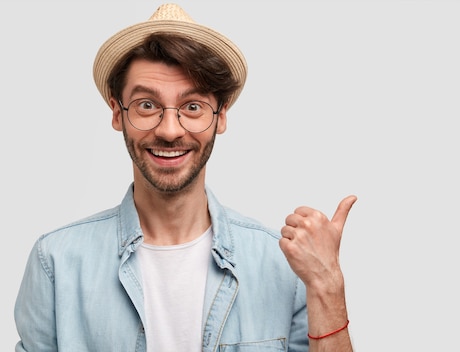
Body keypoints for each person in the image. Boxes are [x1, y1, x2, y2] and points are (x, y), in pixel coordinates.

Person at [14, 3, 356, 351]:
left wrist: (327, 284)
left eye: (193, 106)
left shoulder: (284, 266)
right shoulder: (55, 262)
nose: (170, 130)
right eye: (147, 105)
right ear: (118, 113)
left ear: (221, 116)